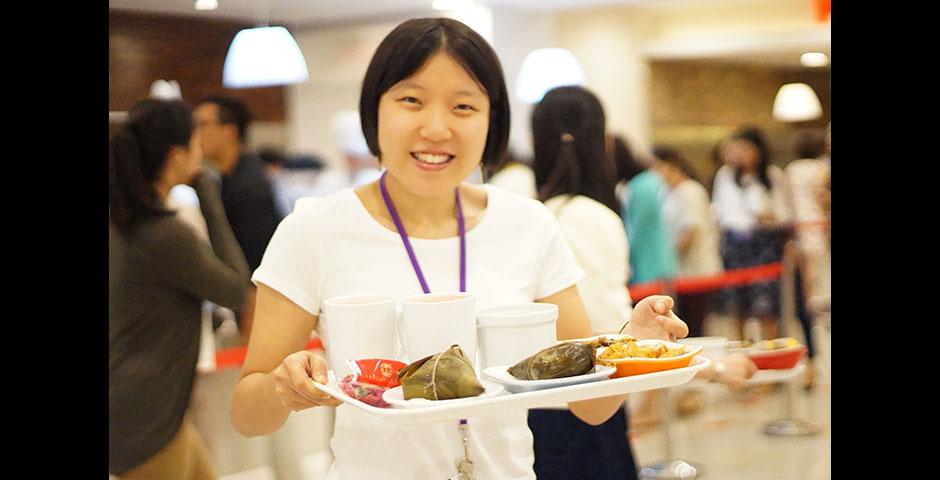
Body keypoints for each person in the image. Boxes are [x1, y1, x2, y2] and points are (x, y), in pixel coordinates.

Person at [230, 18, 688, 480]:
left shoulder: (527, 224)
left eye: (464, 106)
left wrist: (634, 346)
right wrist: (284, 388)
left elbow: (590, 406)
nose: (436, 128)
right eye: (411, 100)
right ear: (375, 111)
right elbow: (247, 414)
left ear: (492, 122)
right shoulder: (315, 229)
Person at [110, 99, 250, 479]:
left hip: (144, 410)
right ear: (176, 154)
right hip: (147, 417)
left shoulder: (126, 221)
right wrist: (209, 195)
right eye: (196, 141)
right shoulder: (163, 233)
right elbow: (237, 289)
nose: (201, 151)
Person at [194, 95, 281, 335]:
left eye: (202, 124)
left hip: (256, 310)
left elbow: (260, 263)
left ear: (229, 131)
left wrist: (249, 332)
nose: (195, 133)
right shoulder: (229, 178)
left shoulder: (248, 185)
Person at [711, 126, 792, 341]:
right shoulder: (726, 176)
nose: (741, 154)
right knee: (737, 308)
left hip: (762, 245)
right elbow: (719, 211)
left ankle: (772, 359)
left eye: (746, 148)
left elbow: (784, 216)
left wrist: (769, 217)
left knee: (766, 308)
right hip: (734, 245)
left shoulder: (771, 177)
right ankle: (742, 357)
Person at [652, 145, 723, 338]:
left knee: (694, 328)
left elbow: (692, 231)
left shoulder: (690, 191)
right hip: (682, 273)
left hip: (697, 272)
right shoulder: (668, 193)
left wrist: (669, 256)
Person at [612, 135, 679, 285]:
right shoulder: (644, 182)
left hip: (652, 267)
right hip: (655, 265)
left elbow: (636, 229)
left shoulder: (641, 186)